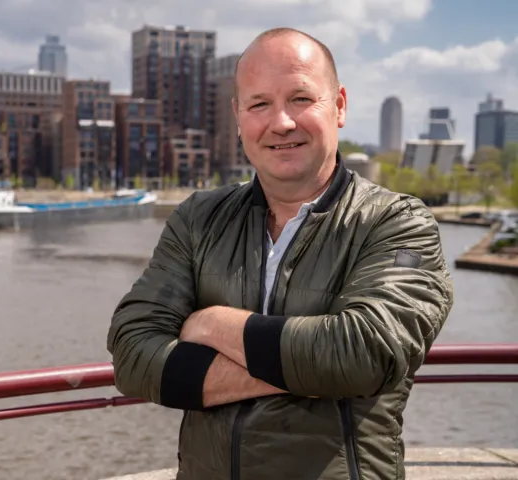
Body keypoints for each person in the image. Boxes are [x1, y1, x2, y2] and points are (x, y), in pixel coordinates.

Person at [107, 27, 454, 480]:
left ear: (340, 105)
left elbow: (364, 354)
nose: (282, 122)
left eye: (301, 99)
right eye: (259, 104)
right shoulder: (198, 219)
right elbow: (133, 355)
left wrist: (212, 324)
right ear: (237, 117)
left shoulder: (396, 223)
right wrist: (308, 372)